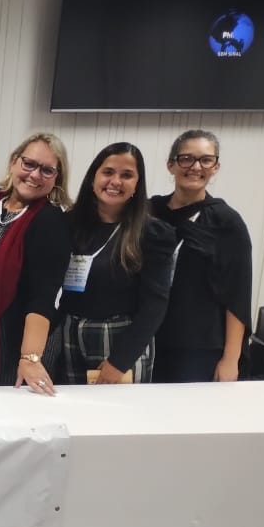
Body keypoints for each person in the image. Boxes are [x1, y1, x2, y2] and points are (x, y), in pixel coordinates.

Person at [59, 143, 175, 385]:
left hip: (122, 340)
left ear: (137, 184)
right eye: (108, 172)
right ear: (93, 177)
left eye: (127, 175)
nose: (115, 181)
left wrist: (119, 361)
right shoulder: (69, 223)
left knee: (118, 409)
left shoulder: (152, 233)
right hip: (70, 333)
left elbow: (155, 305)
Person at [149, 129, 252, 382]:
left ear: (215, 167)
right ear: (171, 165)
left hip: (198, 348)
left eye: (206, 160)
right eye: (187, 159)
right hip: (146, 338)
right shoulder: (150, 211)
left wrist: (231, 359)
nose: (196, 167)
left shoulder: (226, 221)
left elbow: (238, 295)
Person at [0, 132, 73, 395]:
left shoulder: (50, 221)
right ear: (13, 162)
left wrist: (30, 358)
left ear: (56, 178)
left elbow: (43, 296)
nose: (34, 175)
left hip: (18, 340)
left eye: (46, 170)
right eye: (29, 164)